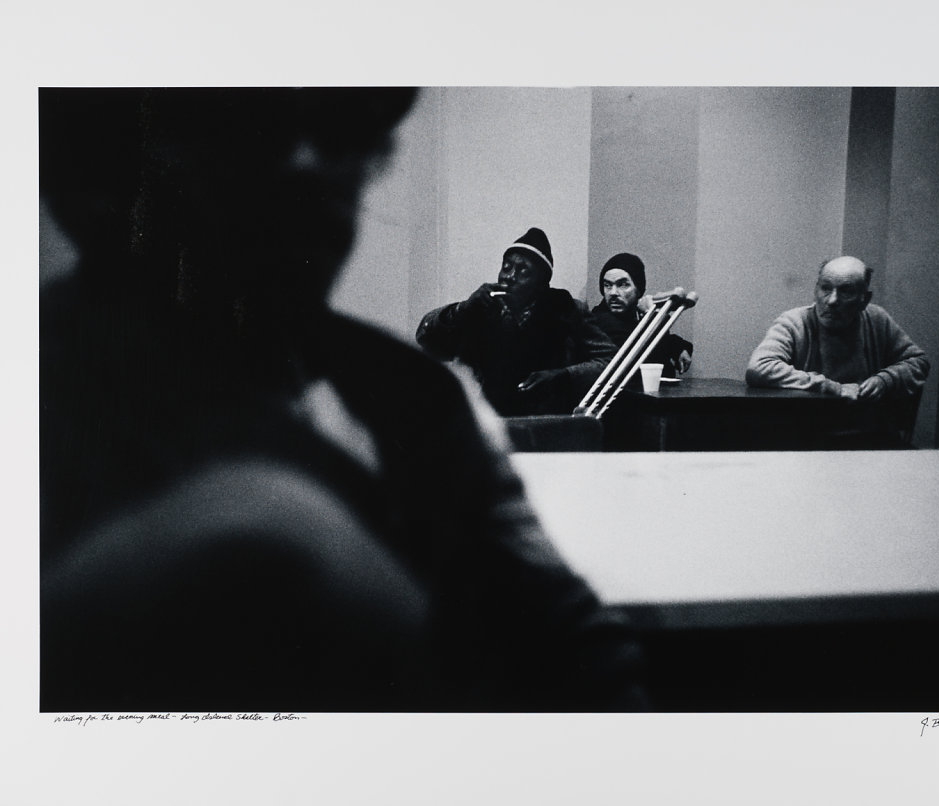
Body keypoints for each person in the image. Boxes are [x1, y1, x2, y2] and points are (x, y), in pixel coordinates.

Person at [39, 88, 648, 713]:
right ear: (97, 176)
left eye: (341, 133)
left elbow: (578, 660)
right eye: (251, 125)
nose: (310, 163)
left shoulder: (420, 405)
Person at [415, 228, 617, 416]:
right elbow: (425, 337)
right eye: (506, 267)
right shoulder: (481, 308)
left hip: (548, 423)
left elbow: (610, 362)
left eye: (523, 271)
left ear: (541, 283)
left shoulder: (566, 309)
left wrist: (563, 376)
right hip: (490, 421)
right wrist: (463, 309)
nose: (510, 277)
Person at [745, 256, 929, 401]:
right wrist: (832, 388)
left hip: (866, 430)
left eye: (846, 291)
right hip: (806, 430)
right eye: (826, 288)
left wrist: (886, 380)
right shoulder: (794, 322)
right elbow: (760, 367)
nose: (832, 301)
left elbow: (918, 361)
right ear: (815, 290)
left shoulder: (877, 319)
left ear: (864, 299)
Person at [590, 252, 695, 378]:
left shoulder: (633, 313)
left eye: (623, 285)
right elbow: (650, 355)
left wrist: (677, 347)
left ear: (638, 289)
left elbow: (652, 338)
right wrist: (651, 316)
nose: (613, 293)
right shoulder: (600, 320)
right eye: (607, 285)